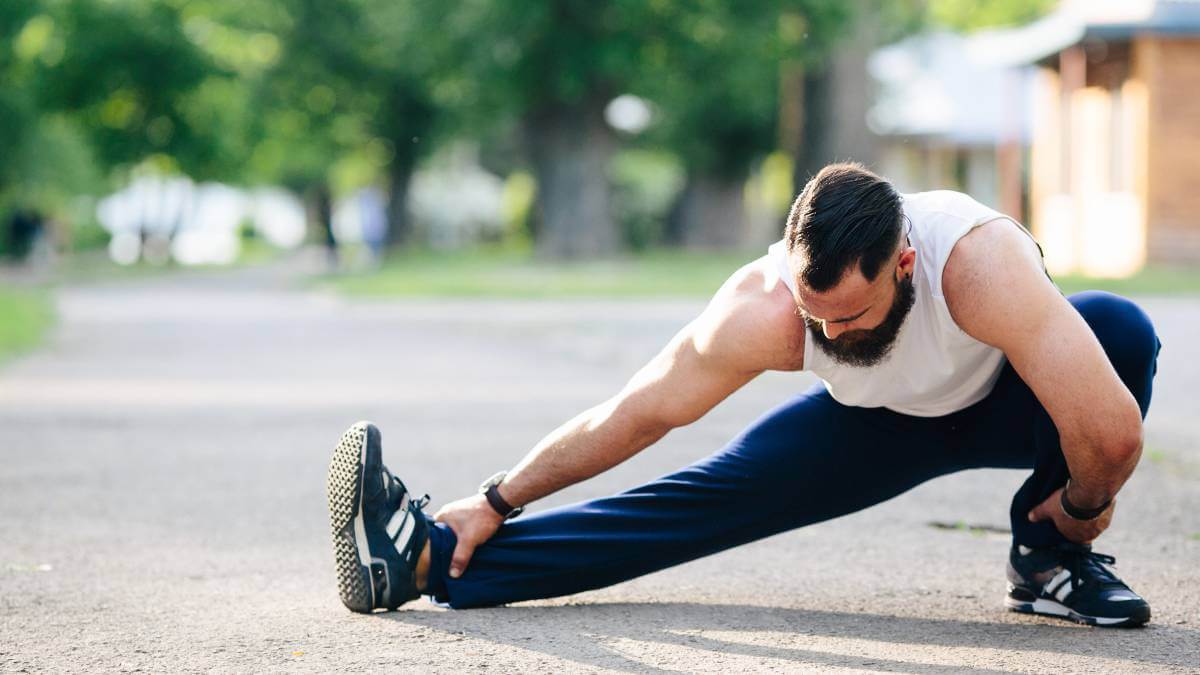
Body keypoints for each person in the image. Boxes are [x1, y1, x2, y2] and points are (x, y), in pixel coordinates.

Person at [326, 163, 1160, 627]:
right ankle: (424, 558)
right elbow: (639, 410)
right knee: (698, 499)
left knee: (1117, 329)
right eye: (813, 315)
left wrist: (1078, 505)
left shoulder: (977, 264)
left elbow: (1111, 432)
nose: (827, 338)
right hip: (877, 424)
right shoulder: (764, 309)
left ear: (904, 263)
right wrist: (500, 496)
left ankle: (1050, 564)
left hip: (1013, 402)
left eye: (850, 314)